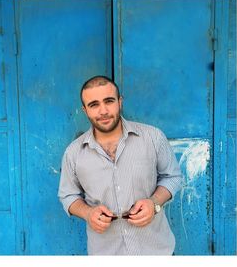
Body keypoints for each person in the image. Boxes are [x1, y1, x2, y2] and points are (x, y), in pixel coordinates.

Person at [58, 75, 183, 255]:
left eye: (109, 101)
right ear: (85, 110)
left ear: (120, 101)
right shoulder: (73, 153)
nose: (103, 111)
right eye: (94, 105)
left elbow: (172, 177)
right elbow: (68, 195)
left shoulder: (153, 137)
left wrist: (154, 203)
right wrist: (87, 213)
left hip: (155, 251)